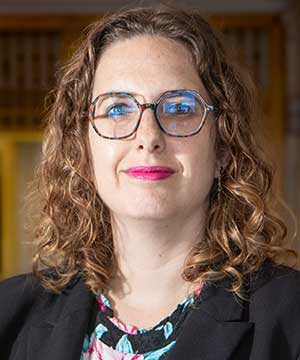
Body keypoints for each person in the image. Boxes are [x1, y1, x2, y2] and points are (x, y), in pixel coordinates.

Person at [1, 5, 300, 360]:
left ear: (222, 146)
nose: (148, 137)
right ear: (82, 149)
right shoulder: (9, 315)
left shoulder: (290, 317)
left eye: (179, 108)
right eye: (116, 109)